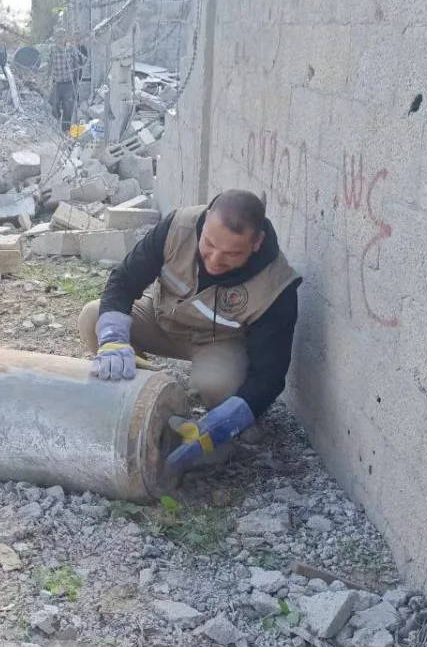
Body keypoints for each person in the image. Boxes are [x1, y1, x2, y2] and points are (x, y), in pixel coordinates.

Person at [77, 190, 301, 477]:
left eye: (232, 254)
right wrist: (113, 341)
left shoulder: (276, 286)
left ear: (256, 243)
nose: (215, 260)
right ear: (205, 221)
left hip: (217, 344)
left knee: (218, 386)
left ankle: (218, 442)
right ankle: (135, 403)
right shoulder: (178, 227)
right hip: (161, 320)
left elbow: (269, 376)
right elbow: (123, 283)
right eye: (209, 244)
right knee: (94, 317)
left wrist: (226, 422)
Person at [47, 36, 81, 135]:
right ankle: (56, 119)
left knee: (68, 107)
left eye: (62, 37)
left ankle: (66, 129)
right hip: (56, 83)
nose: (60, 39)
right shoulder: (52, 50)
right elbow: (48, 65)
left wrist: (76, 80)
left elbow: (76, 64)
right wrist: (46, 79)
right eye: (59, 37)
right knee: (54, 105)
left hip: (68, 83)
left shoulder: (71, 49)